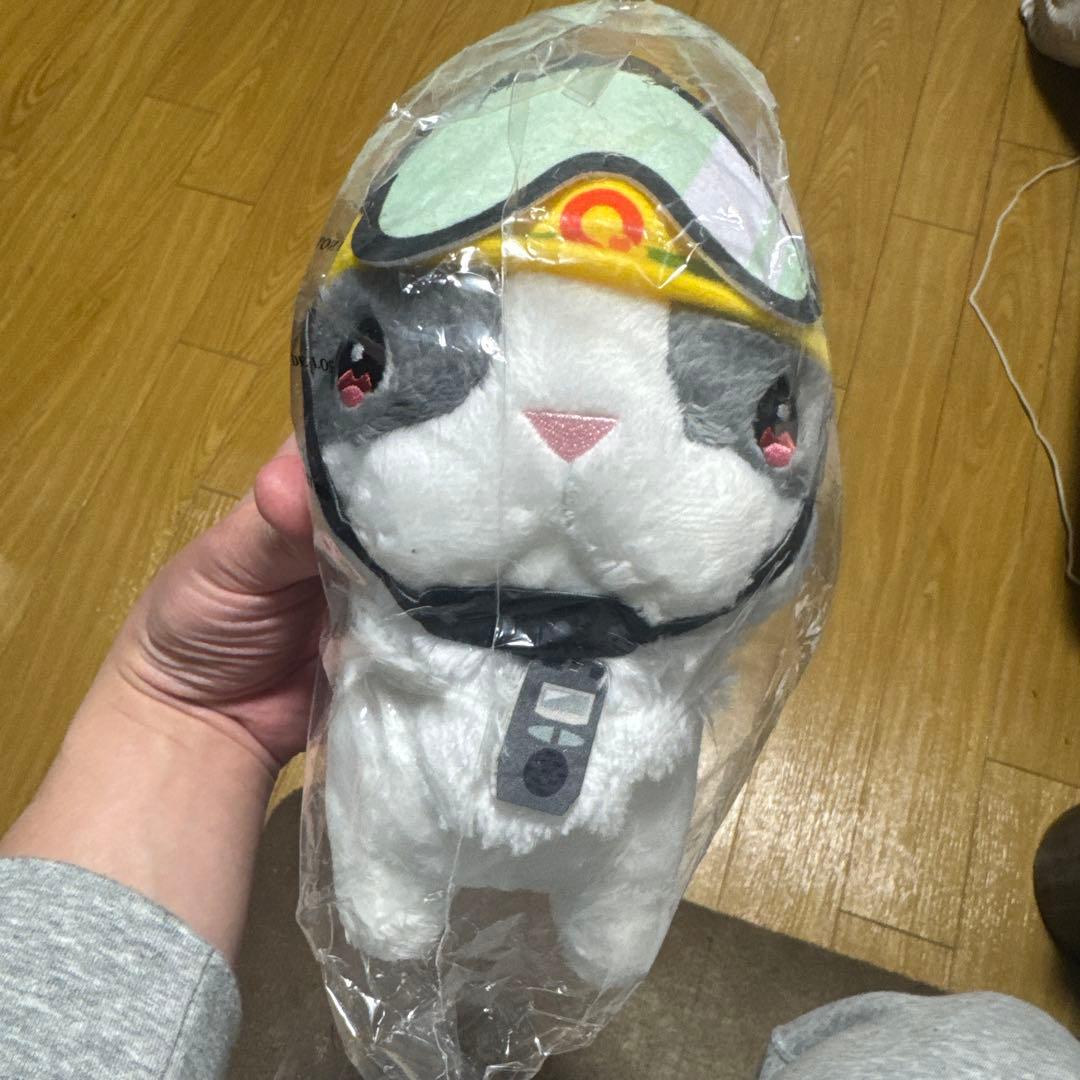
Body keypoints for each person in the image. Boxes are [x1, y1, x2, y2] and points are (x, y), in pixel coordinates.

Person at [1, 440, 1078, 1079]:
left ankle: (568, 916)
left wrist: (182, 714)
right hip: (410, 764)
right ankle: (411, 899)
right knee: (1000, 1047)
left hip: (578, 771)